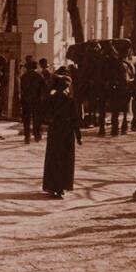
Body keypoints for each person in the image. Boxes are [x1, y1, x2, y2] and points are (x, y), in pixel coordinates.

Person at [41, 68, 82, 199]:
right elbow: (75, 120)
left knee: (53, 158)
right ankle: (62, 186)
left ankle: (52, 185)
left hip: (54, 131)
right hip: (67, 132)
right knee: (65, 159)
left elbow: (44, 115)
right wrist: (79, 136)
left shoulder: (50, 99)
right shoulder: (70, 101)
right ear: (66, 87)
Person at [19, 56, 46, 144]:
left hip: (26, 100)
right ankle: (37, 135)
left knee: (26, 118)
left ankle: (27, 136)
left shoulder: (23, 76)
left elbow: (21, 88)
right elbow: (43, 89)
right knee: (36, 118)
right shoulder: (39, 76)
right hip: (36, 100)